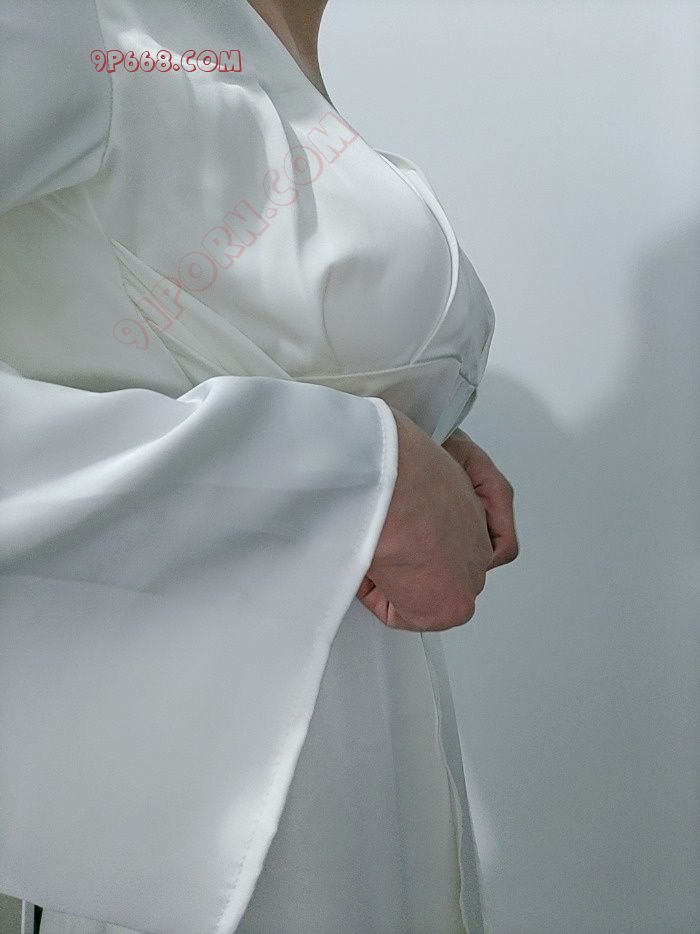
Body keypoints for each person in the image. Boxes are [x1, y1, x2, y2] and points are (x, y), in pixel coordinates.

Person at [0, 1, 518, 932]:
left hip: (349, 776)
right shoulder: (75, 22)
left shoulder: (229, 39)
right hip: (194, 811)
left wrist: (412, 420)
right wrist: (361, 471)